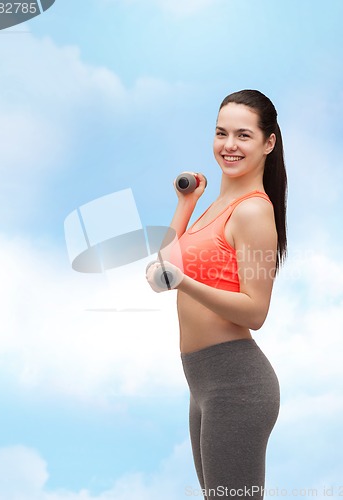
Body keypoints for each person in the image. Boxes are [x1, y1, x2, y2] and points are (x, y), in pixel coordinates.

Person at [146, 89, 287, 499]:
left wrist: (184, 282)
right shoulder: (217, 204)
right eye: (221, 133)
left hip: (238, 385)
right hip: (204, 384)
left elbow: (255, 311)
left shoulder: (254, 211)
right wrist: (186, 203)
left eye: (243, 135)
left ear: (268, 143)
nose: (228, 145)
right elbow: (169, 263)